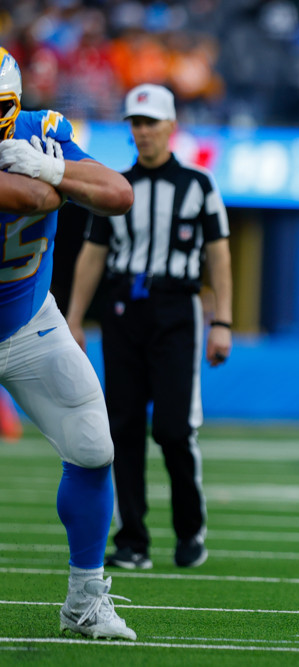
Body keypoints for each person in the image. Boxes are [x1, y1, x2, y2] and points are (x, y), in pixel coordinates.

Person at [66, 83, 233, 571]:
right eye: (134, 124)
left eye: (149, 123)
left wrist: (222, 320)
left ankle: (189, 532)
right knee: (122, 428)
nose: (141, 132)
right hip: (123, 310)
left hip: (177, 309)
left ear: (169, 126)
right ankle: (133, 539)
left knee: (175, 429)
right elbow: (93, 253)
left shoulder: (199, 185)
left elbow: (219, 252)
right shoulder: (115, 186)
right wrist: (75, 317)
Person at [0, 47, 136, 639]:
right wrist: (44, 185)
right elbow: (30, 201)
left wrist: (51, 169)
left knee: (91, 445)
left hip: (26, 318)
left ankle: (85, 600)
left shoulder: (38, 133)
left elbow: (117, 192)